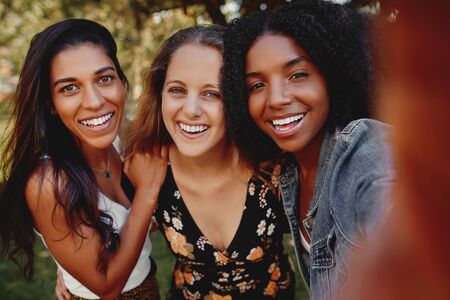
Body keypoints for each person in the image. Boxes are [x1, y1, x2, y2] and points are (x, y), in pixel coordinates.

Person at [222, 1, 394, 299]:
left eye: (298, 74)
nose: (275, 99)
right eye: (257, 85)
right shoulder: (289, 170)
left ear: (333, 76)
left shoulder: (363, 146)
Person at [124, 25, 295, 299]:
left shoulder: (273, 165)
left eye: (212, 93)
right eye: (177, 90)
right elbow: (102, 223)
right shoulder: (144, 167)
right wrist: (69, 270)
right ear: (160, 94)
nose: (191, 110)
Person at [0, 19, 166, 300]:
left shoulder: (124, 137)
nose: (94, 101)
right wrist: (148, 193)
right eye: (69, 88)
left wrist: (70, 257)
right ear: (50, 104)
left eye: (104, 78)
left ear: (120, 81)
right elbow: (107, 286)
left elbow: (139, 227)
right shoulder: (48, 182)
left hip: (150, 287)